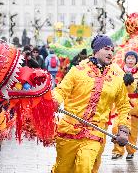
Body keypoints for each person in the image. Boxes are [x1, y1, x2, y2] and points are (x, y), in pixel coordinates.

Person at [51, 35, 131, 173]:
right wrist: (54, 101)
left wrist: (123, 130)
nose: (110, 52)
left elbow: (124, 105)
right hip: (69, 130)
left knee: (85, 167)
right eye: (106, 49)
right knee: (62, 169)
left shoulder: (117, 77)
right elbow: (60, 91)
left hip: (96, 131)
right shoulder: (77, 71)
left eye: (112, 49)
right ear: (96, 51)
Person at [111, 51, 138, 160]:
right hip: (121, 105)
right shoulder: (119, 73)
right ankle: (118, 151)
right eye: (128, 58)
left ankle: (131, 151)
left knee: (132, 132)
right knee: (116, 127)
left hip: (135, 107)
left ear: (136, 61)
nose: (130, 60)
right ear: (125, 60)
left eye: (133, 58)